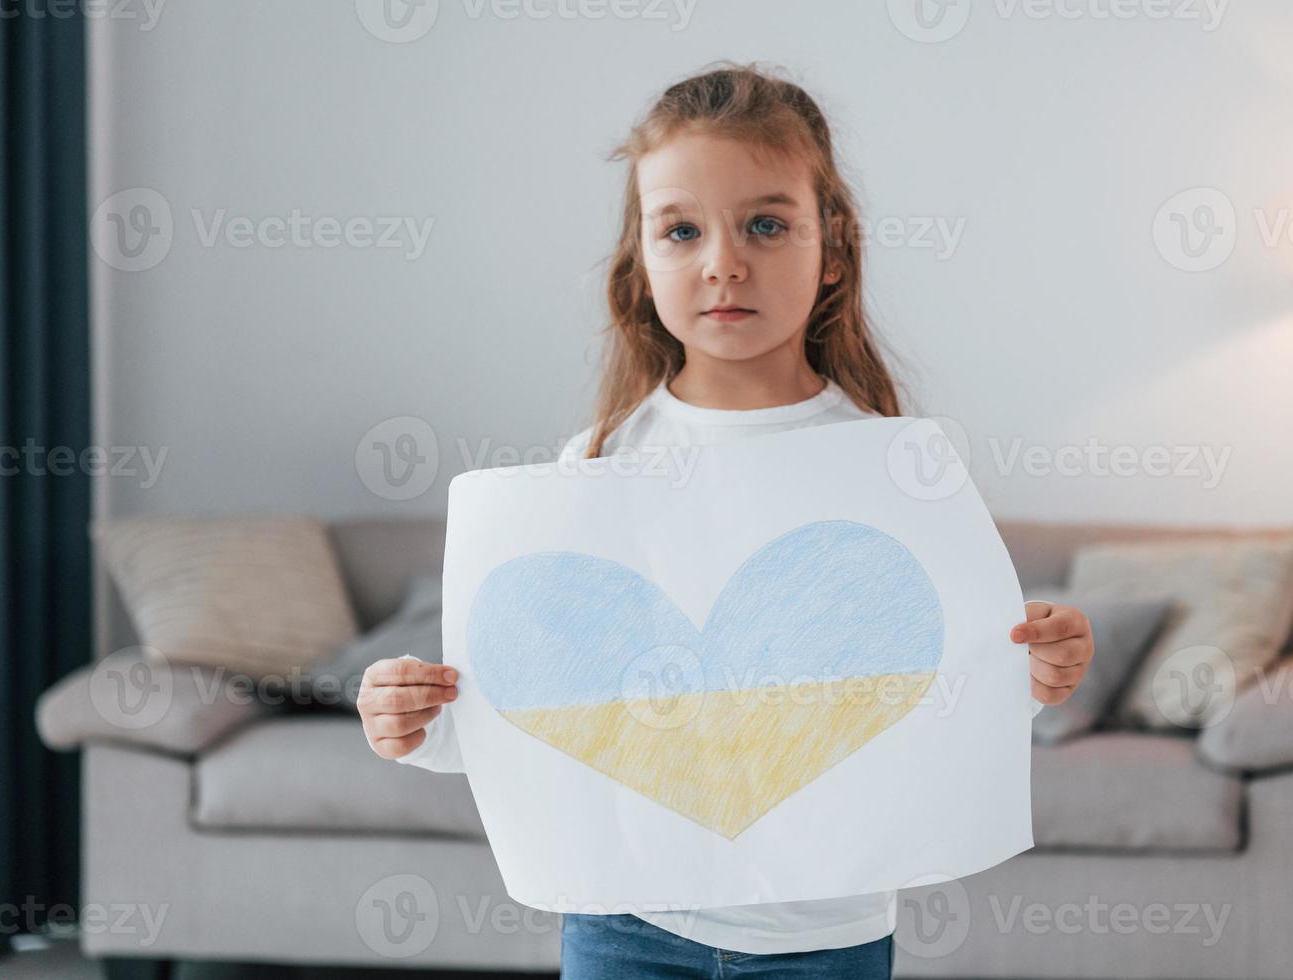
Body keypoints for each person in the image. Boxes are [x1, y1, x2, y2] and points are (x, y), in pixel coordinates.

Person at [359, 60, 1095, 980]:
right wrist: (418, 722)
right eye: (681, 229)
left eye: (764, 223)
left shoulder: (897, 472)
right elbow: (534, 711)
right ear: (642, 267)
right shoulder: (592, 468)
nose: (724, 261)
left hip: (824, 937)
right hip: (623, 926)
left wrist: (1036, 670)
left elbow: (939, 684)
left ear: (832, 251)